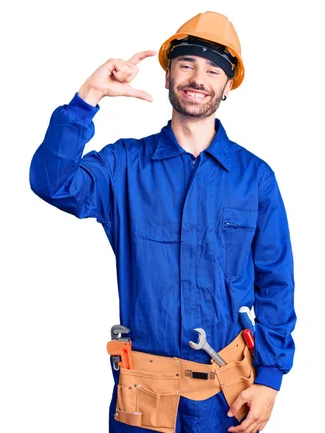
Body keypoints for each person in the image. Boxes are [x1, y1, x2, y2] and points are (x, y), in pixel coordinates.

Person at [29, 11, 296, 433]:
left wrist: (270, 378)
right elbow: (52, 182)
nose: (198, 77)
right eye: (187, 64)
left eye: (213, 70)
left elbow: (276, 281)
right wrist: (88, 97)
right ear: (168, 74)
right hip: (145, 398)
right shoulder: (123, 166)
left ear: (227, 86)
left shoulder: (254, 178)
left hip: (228, 394)